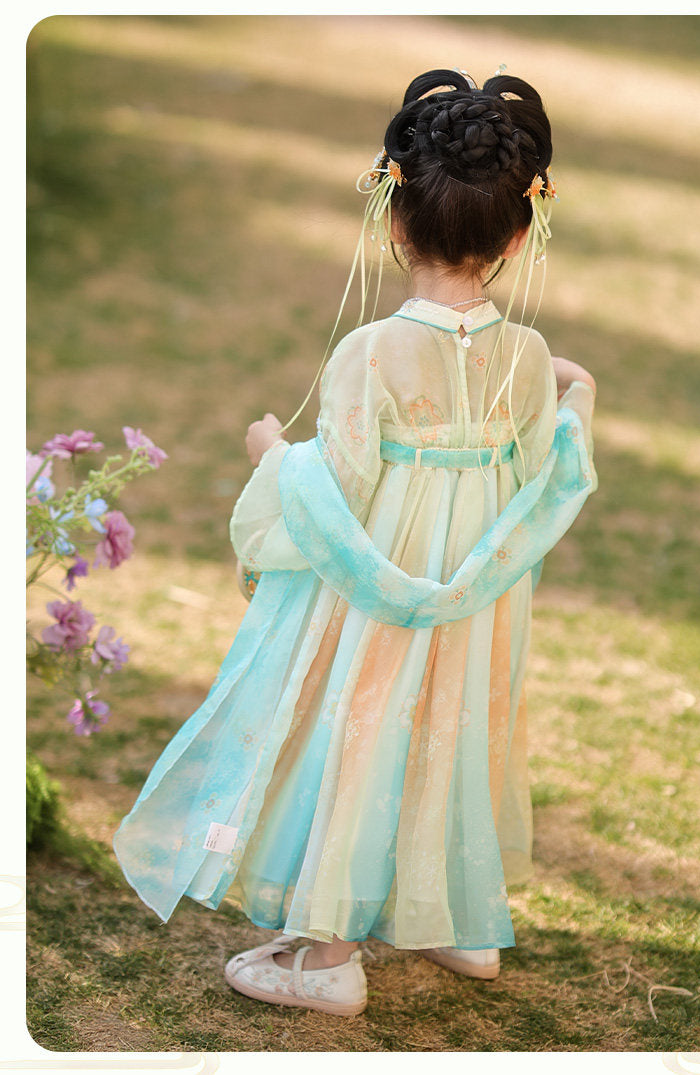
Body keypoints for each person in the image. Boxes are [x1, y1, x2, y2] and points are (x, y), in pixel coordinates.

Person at [113, 67, 598, 1018]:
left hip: (379, 599)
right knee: (454, 726)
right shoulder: (529, 357)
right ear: (517, 231)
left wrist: (272, 458)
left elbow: (337, 490)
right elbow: (543, 469)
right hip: (476, 605)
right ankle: (453, 910)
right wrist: (573, 401)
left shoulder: (371, 351)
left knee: (363, 733)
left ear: (392, 219)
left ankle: (329, 955)